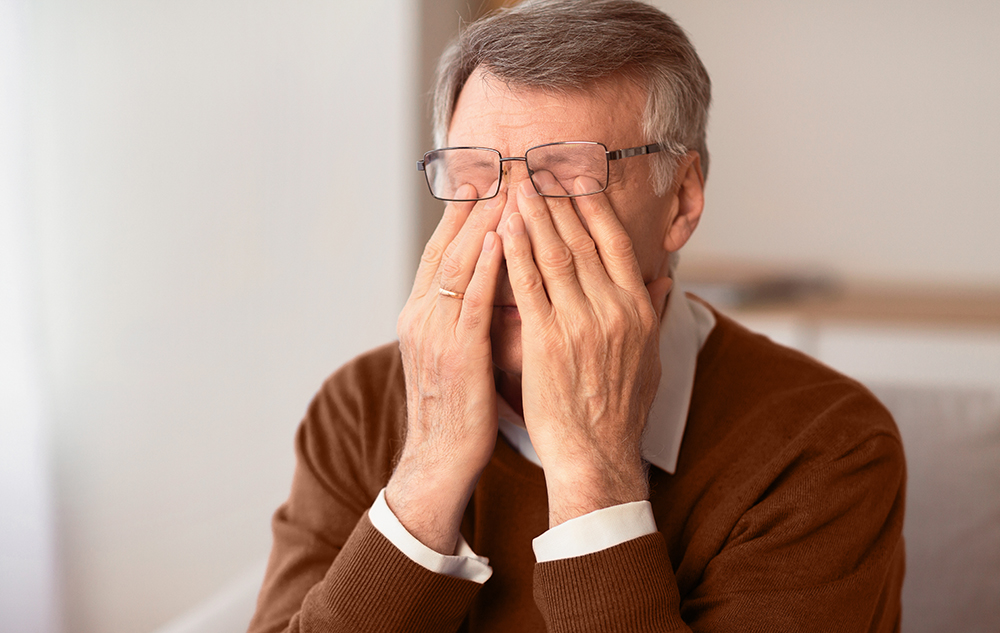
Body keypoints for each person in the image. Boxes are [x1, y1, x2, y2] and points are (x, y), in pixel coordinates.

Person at [248, 1, 906, 631]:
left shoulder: (826, 447)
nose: (506, 233)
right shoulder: (358, 407)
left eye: (564, 178)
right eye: (476, 177)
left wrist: (595, 476)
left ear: (680, 199)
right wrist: (425, 472)